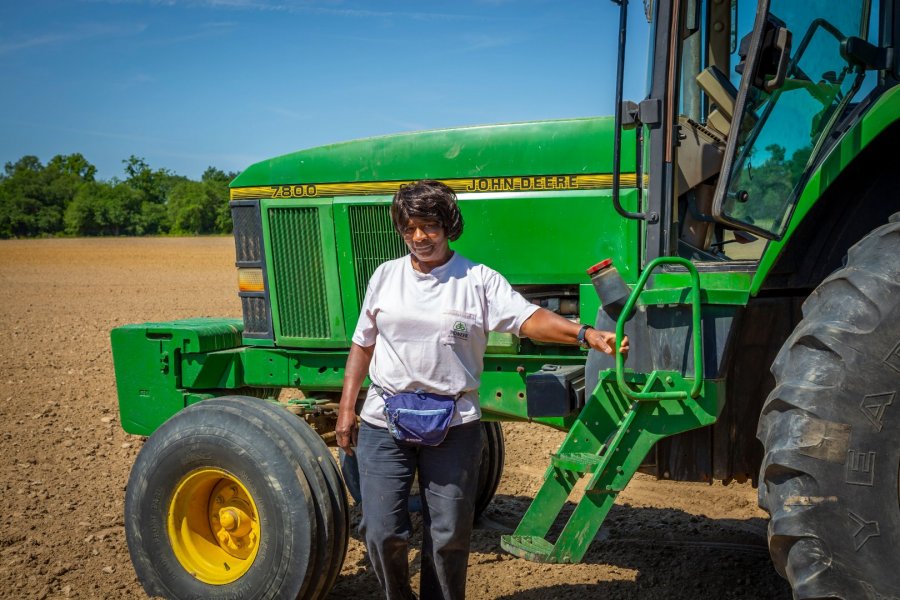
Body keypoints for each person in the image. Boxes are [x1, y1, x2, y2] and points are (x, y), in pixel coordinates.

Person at [336, 180, 629, 600]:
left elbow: (529, 319)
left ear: (448, 226)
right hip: (385, 419)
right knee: (382, 531)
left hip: (454, 424)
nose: (419, 237)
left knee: (450, 534)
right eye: (409, 228)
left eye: (429, 226)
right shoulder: (385, 276)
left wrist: (584, 334)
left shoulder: (477, 279)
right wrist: (347, 409)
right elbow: (363, 343)